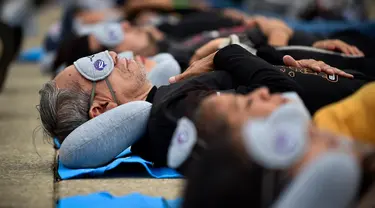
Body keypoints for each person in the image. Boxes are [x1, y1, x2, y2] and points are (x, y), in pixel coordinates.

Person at [38, 44, 371, 165]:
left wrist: (298, 56)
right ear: (101, 108)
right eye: (96, 68)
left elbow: (264, 74)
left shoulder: (171, 95)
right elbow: (282, 101)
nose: (111, 55)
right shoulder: (171, 115)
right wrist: (223, 54)